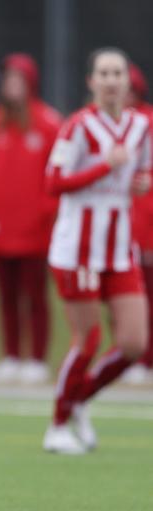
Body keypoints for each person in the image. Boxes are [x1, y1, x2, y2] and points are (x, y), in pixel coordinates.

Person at [43, 48, 151, 454]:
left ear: (127, 81)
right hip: (78, 250)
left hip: (119, 250)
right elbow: (53, 182)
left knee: (135, 344)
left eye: (117, 73)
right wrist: (105, 166)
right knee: (88, 341)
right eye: (103, 73)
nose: (111, 81)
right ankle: (57, 425)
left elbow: (143, 169)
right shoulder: (77, 126)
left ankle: (79, 399)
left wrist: (142, 180)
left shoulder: (141, 126)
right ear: (92, 81)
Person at [0, 53, 61, 384]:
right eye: (8, 80)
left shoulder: (48, 124)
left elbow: (59, 174)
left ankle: (37, 359)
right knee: (6, 295)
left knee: (35, 294)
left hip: (36, 229)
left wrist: (45, 211)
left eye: (19, 79)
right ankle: (12, 355)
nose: (13, 86)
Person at [122, 63, 153, 384]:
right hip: (117, 228)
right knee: (123, 299)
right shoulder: (105, 124)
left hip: (146, 227)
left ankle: (147, 358)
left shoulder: (147, 123)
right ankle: (129, 357)